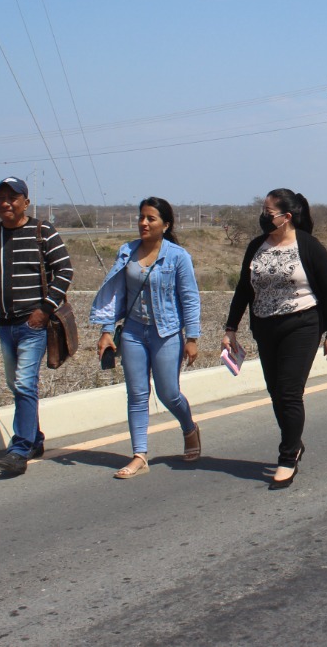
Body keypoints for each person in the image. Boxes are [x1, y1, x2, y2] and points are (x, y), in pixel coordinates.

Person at [223, 189, 327, 490]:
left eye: (268, 212)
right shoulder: (256, 246)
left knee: (289, 392)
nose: (263, 217)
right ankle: (294, 441)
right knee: (275, 392)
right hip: (265, 326)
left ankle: (287, 456)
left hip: (302, 325)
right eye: (263, 211)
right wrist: (230, 328)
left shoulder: (309, 246)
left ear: (286, 217)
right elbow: (244, 289)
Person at [0, 177, 74, 475]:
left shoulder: (43, 232)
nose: (6, 203)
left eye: (13, 198)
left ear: (26, 202)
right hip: (5, 325)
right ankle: (34, 439)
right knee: (16, 385)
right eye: (1, 198)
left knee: (25, 383)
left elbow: (65, 270)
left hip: (34, 326)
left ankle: (19, 449)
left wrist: (44, 309)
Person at [90, 197, 202, 479]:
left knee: (169, 393)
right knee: (137, 394)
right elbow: (116, 294)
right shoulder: (126, 251)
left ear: (165, 225)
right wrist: (106, 330)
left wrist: (192, 338)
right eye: (141, 217)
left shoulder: (177, 256)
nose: (144, 223)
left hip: (167, 333)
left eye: (151, 218)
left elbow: (190, 298)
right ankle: (139, 455)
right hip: (133, 332)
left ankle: (189, 428)